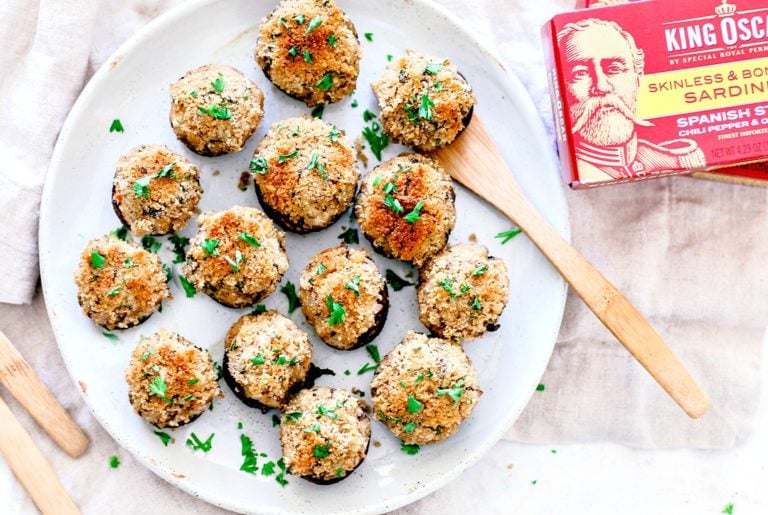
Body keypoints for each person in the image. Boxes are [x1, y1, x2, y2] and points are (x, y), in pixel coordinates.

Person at [557, 18, 706, 183]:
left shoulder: (673, 158)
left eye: (614, 69)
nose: (602, 86)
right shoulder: (575, 170)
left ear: (638, 79)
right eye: (580, 73)